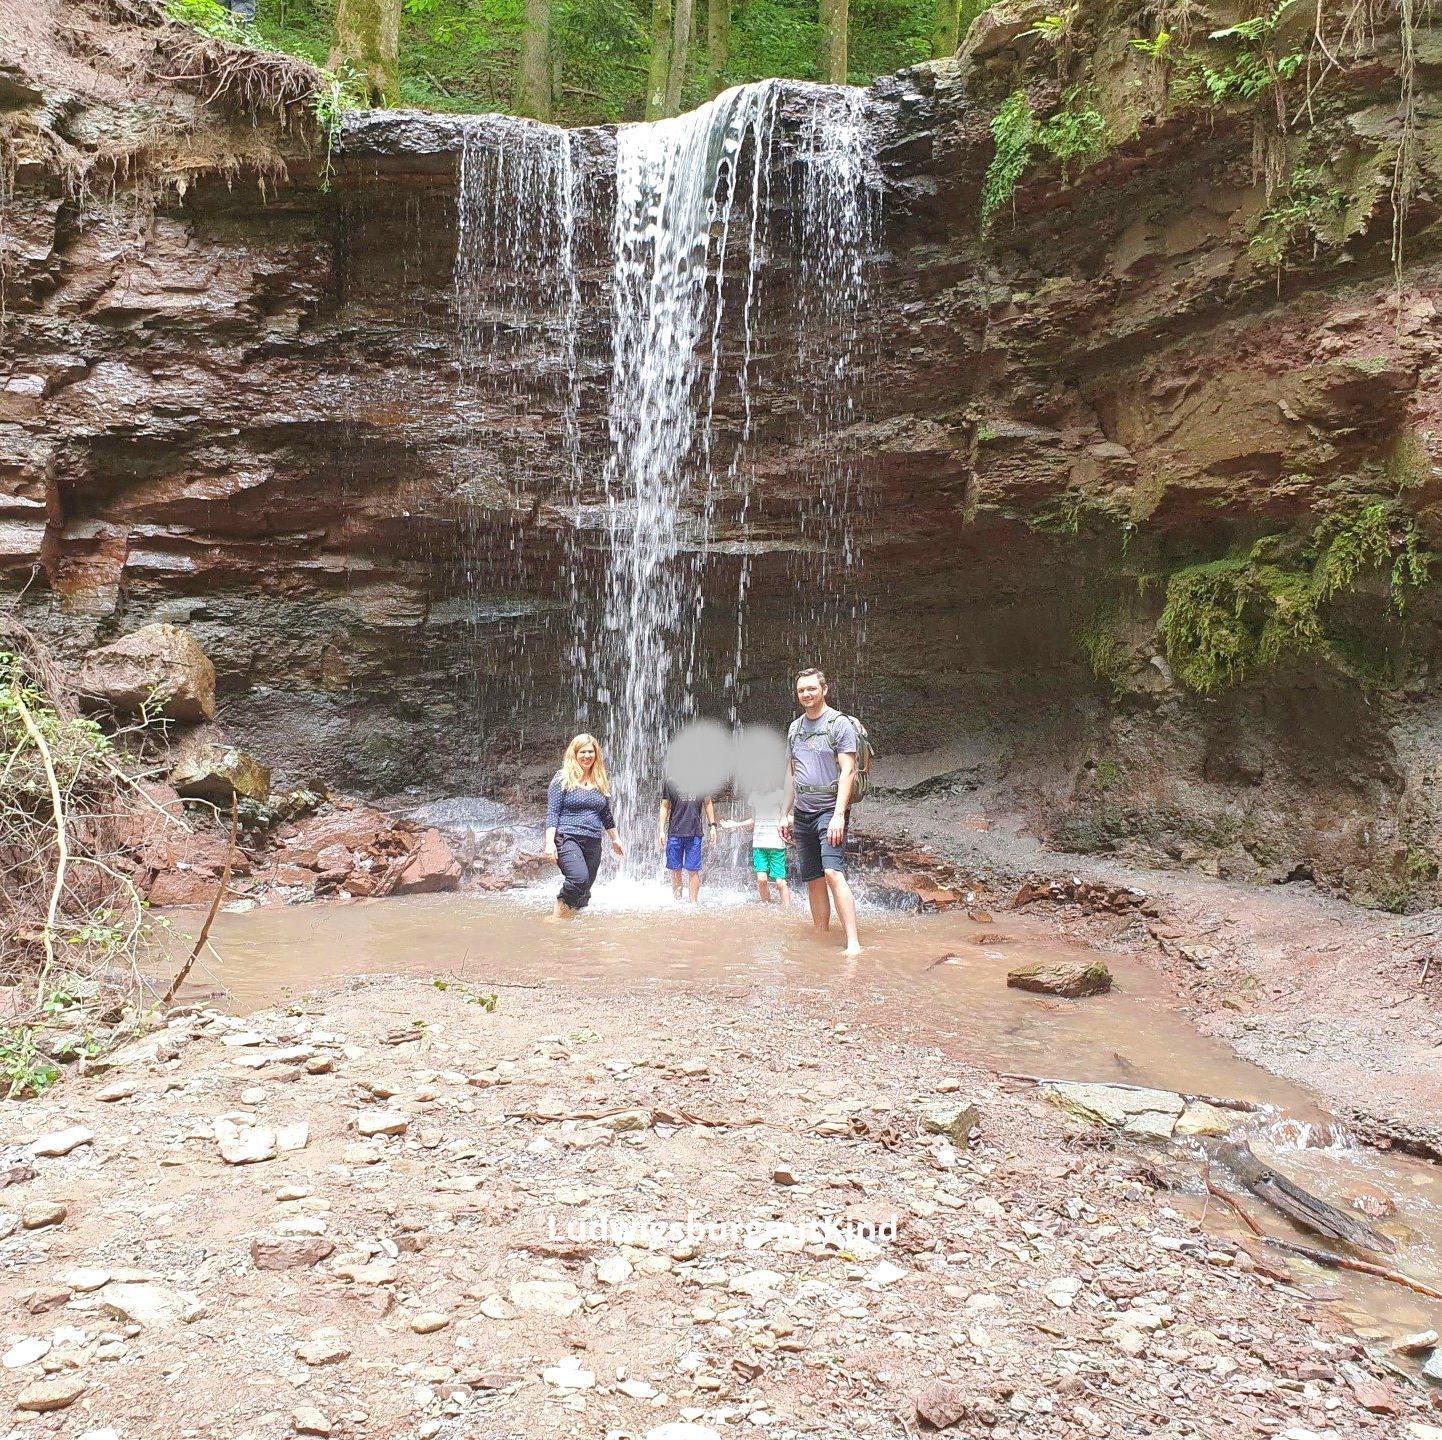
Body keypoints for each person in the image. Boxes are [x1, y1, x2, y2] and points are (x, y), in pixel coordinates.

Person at [781, 668, 861, 955]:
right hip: (802, 812)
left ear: (824, 690)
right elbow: (792, 774)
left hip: (829, 810)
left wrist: (839, 814)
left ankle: (853, 943)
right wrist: (784, 812)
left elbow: (848, 770)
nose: (806, 694)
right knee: (813, 878)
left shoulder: (839, 724)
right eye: (802, 690)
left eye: (812, 689)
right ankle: (821, 936)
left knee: (832, 872)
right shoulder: (794, 728)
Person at [543, 734, 624, 919]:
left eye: (590, 751)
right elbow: (553, 813)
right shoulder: (562, 778)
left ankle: (573, 930)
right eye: (582, 752)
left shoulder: (599, 780)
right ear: (574, 753)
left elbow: (606, 814)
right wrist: (549, 843)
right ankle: (555, 918)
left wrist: (615, 839)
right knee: (578, 878)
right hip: (567, 837)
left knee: (585, 888)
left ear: (596, 754)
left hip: (593, 840)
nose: (587, 756)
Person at [723, 784, 790, 906]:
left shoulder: (780, 795)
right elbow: (754, 819)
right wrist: (736, 824)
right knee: (761, 879)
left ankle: (786, 910)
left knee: (780, 882)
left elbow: (788, 816)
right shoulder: (754, 796)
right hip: (759, 844)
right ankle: (766, 907)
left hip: (776, 844)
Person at [657, 782, 717, 902]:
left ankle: (693, 904)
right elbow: (664, 805)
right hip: (675, 832)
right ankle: (677, 902)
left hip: (694, 832)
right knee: (675, 870)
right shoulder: (670, 780)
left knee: (693, 870)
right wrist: (661, 831)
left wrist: (713, 826)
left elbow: (708, 802)